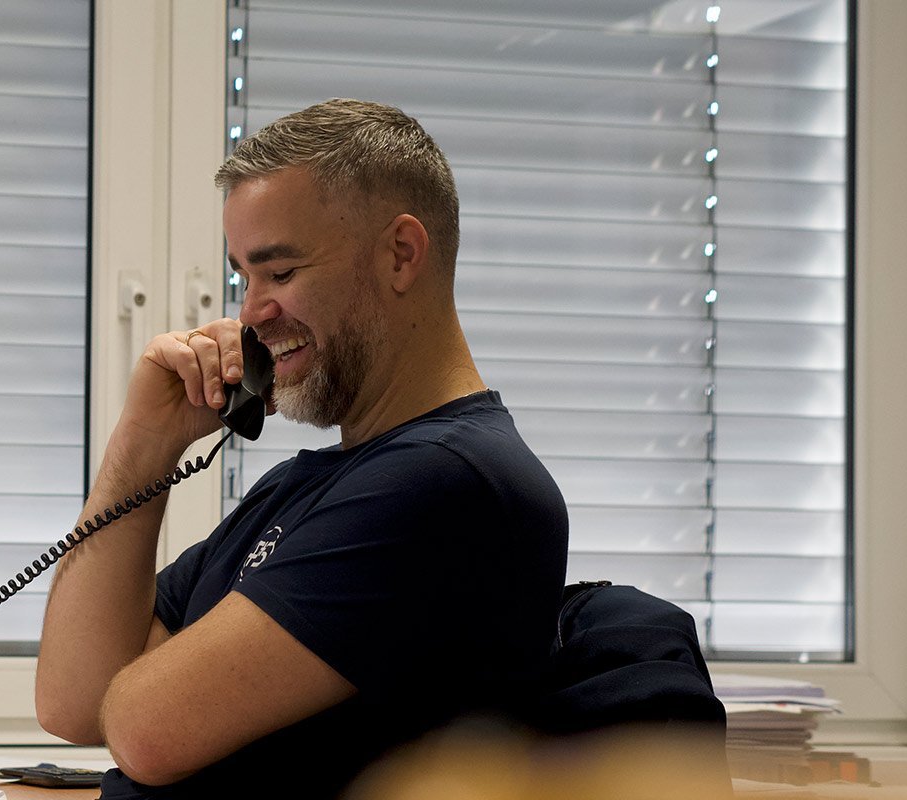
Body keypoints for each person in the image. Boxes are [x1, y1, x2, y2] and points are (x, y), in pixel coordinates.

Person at [34, 98, 570, 799]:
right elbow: (74, 700)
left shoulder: (444, 482)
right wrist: (144, 447)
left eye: (280, 273)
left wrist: (147, 677)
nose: (251, 311)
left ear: (400, 255)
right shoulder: (304, 486)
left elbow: (143, 730)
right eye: (243, 278)